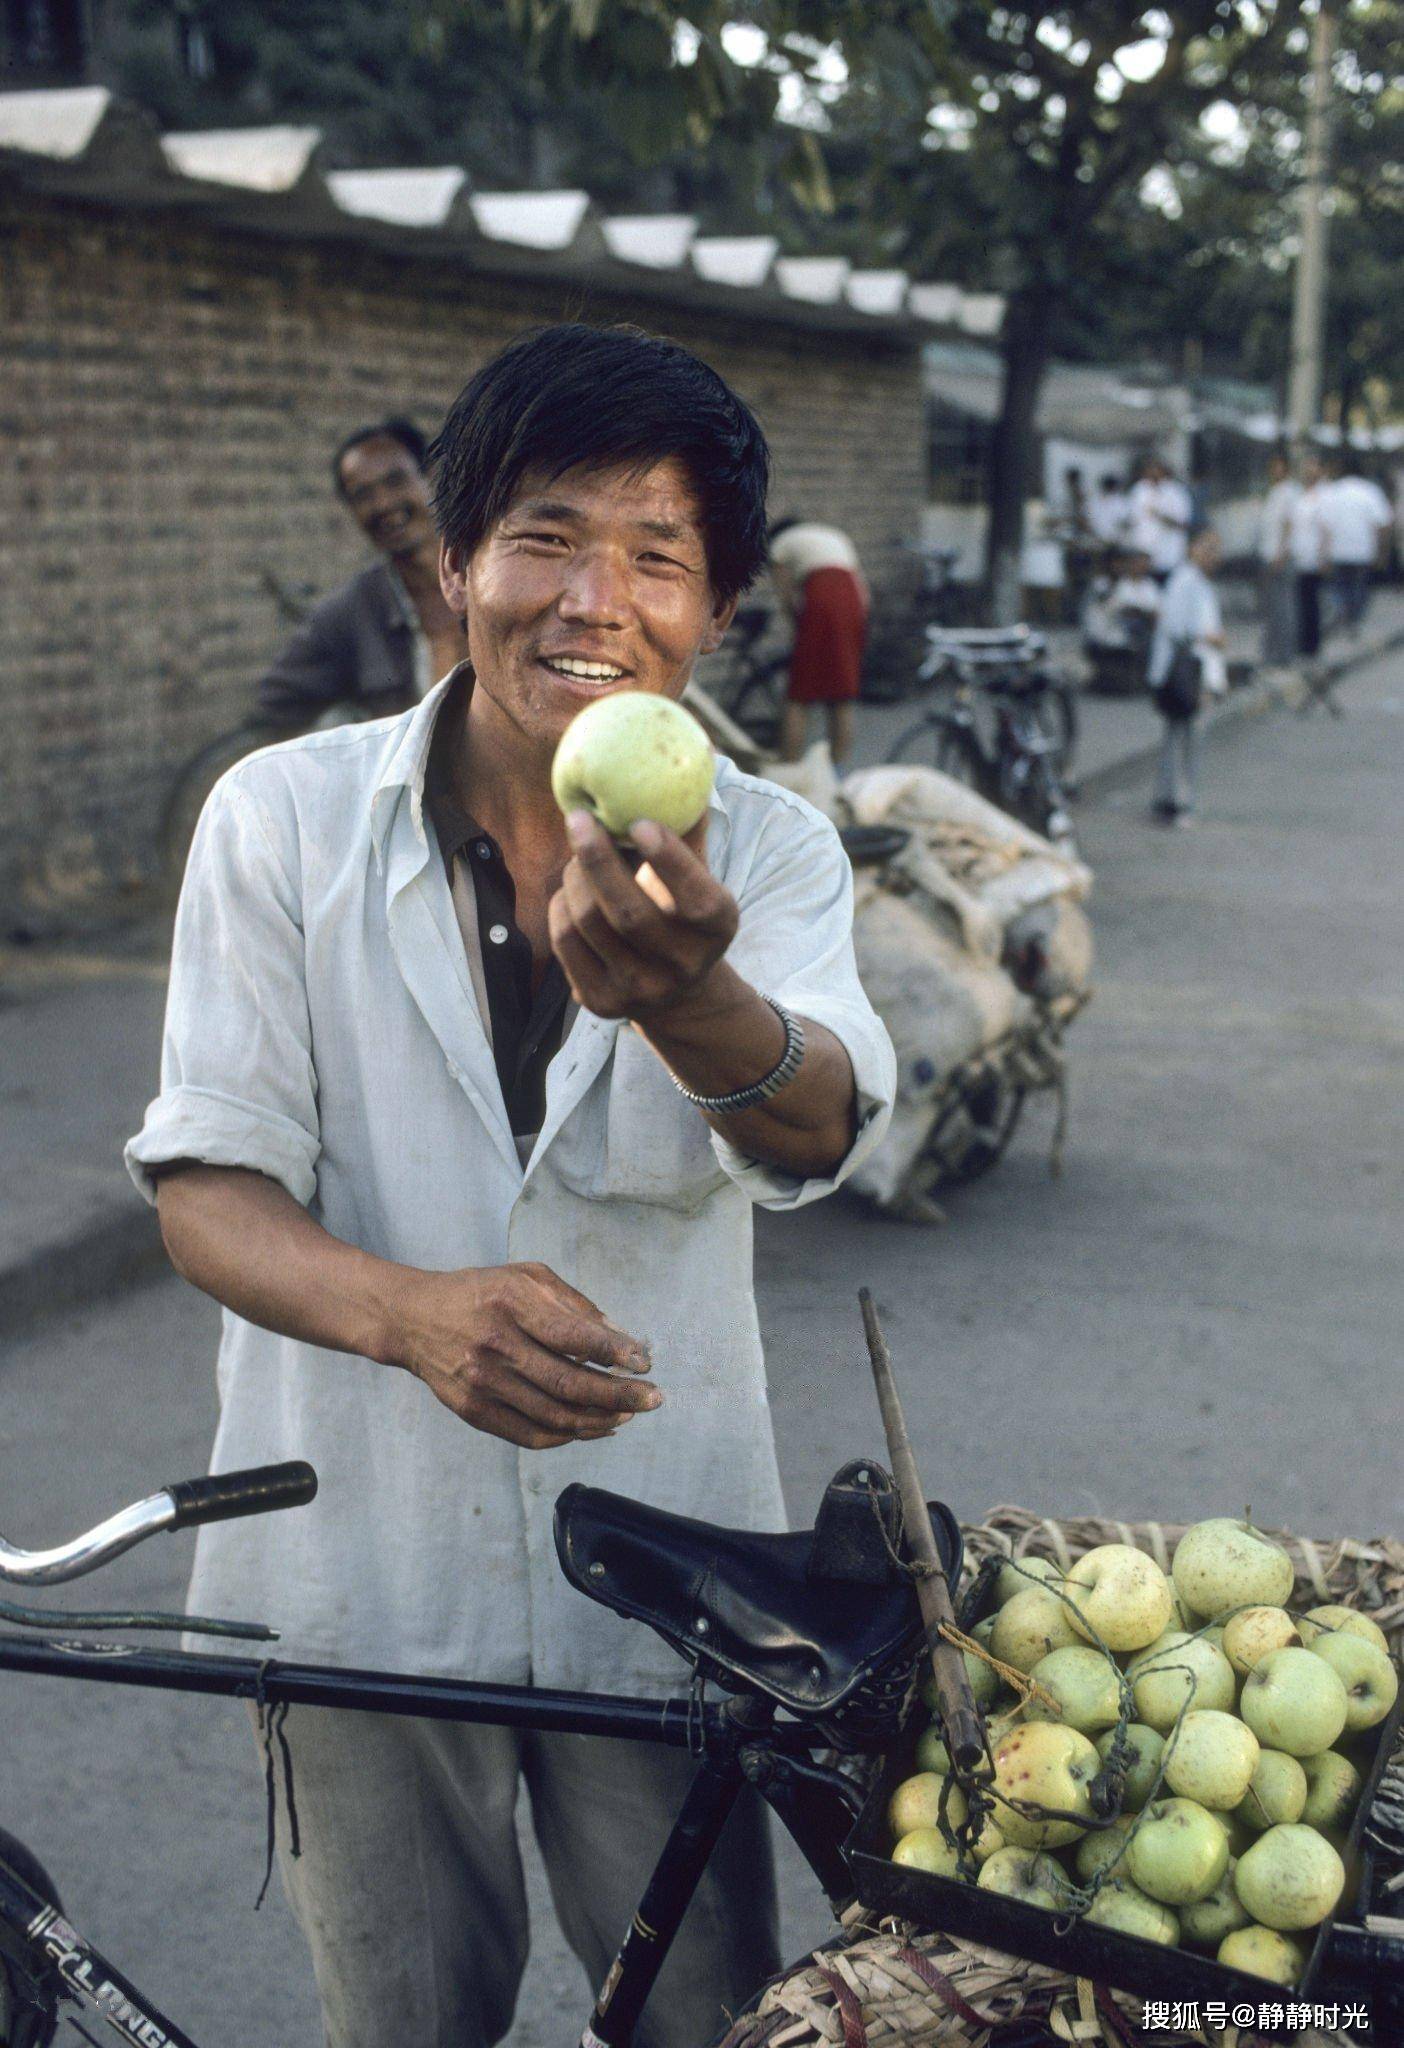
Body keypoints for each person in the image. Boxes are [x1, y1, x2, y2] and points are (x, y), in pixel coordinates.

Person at [124, 322, 895, 2048]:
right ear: (456, 557)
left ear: (716, 607)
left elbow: (819, 1120)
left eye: (656, 558)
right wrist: (405, 1315)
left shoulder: (762, 849)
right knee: (400, 2020)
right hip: (361, 1581)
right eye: (545, 536)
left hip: (672, 1592)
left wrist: (691, 999)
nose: (590, 602)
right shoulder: (283, 821)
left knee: (704, 2016)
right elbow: (203, 1186)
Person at [255, 418, 467, 726]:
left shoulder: (492, 571)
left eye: (395, 481)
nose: (383, 503)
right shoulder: (352, 612)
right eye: (362, 494)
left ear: (429, 478)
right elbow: (274, 706)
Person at [767, 515, 870, 764]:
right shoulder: (834, 535)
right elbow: (863, 592)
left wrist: (798, 628)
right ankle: (838, 768)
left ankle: (789, 766)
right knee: (842, 693)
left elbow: (787, 595)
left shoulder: (780, 542)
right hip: (852, 602)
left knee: (798, 694)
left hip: (821, 598)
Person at [1147, 526, 1227, 825]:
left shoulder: (1198, 583)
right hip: (1185, 673)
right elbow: (1178, 629)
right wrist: (1211, 638)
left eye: (1216, 550)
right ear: (1193, 549)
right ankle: (1179, 802)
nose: (1212, 556)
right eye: (1207, 548)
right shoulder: (1186, 582)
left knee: (1177, 736)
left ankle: (1168, 798)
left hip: (1185, 671)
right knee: (1187, 738)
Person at [1319, 458, 1393, 637]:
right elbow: (1382, 523)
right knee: (1358, 587)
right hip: (1363, 550)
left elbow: (1325, 525)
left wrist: (1324, 553)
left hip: (1338, 550)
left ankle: (1342, 614)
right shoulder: (1370, 491)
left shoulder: (1333, 492)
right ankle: (1353, 621)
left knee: (1340, 586)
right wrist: (1382, 551)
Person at [1256, 452, 1300, 672]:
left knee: (1282, 607)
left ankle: (1283, 654)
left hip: (1279, 557)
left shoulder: (1289, 492)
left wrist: (1281, 554)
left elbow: (1289, 525)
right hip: (1269, 554)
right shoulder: (1274, 491)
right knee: (1272, 608)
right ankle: (1273, 652)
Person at [1127, 456, 1194, 583]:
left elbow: (1184, 524)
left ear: (1162, 471)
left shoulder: (1176, 492)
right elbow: (1132, 518)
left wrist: (1161, 516)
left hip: (1169, 557)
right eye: (1148, 470)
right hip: (1144, 556)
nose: (1151, 474)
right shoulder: (1139, 490)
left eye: (1154, 470)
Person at [1087, 473, 1130, 549]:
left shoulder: (1120, 502)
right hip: (1096, 541)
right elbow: (1088, 521)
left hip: (1115, 542)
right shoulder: (1094, 501)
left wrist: (1115, 539)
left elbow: (1124, 523)